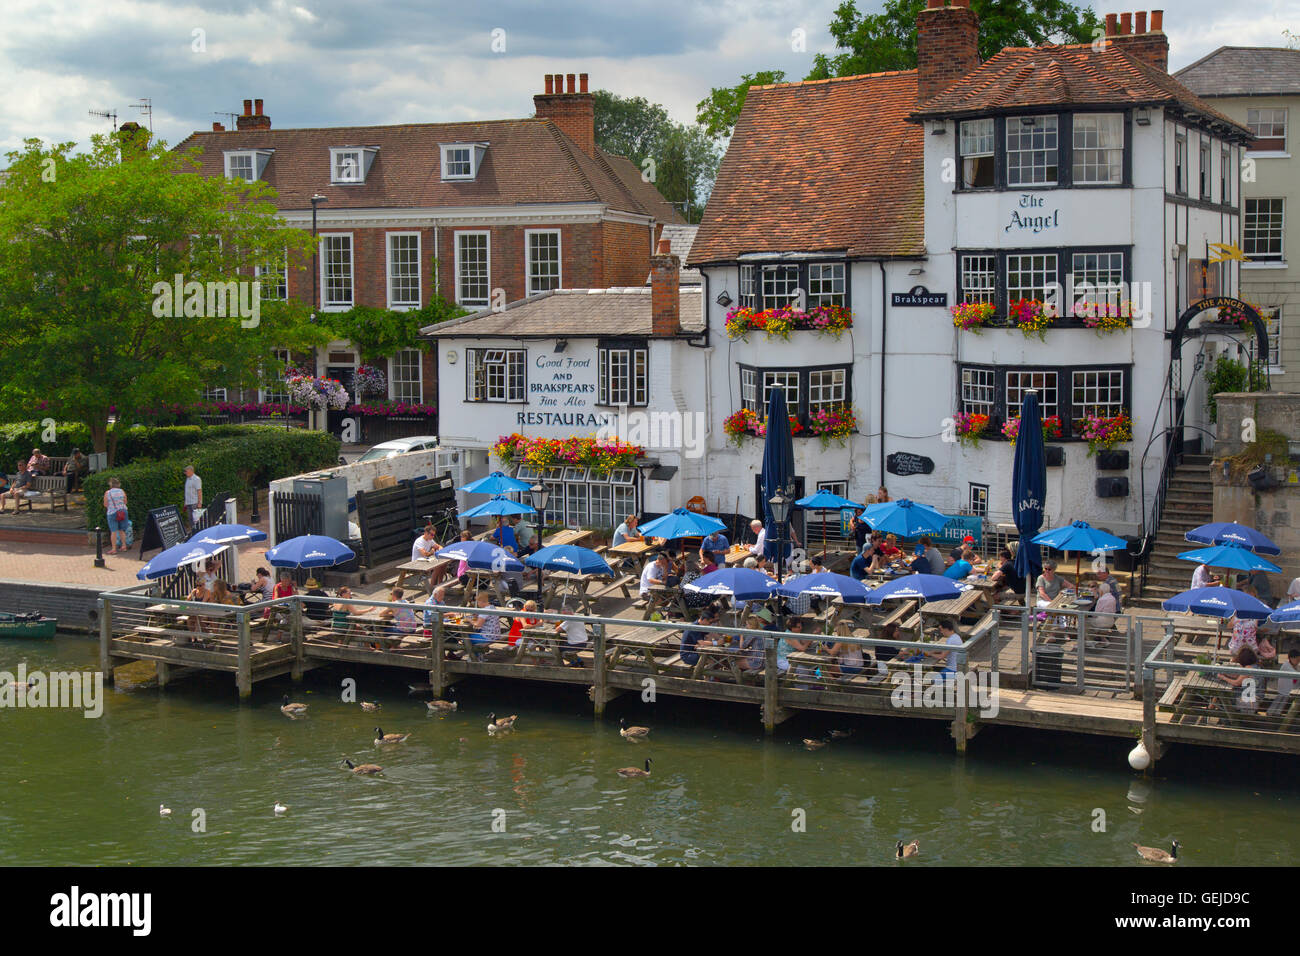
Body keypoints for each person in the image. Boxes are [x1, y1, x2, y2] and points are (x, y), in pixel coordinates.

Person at [1217, 646, 1260, 715]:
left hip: (1249, 700)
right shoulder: (1255, 666)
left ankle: (1221, 716)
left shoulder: (1248, 668)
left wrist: (1223, 677)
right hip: (1254, 696)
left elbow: (1236, 683)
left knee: (1222, 695)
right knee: (1219, 695)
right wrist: (1225, 674)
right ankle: (1211, 709)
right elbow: (1240, 677)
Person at [1267, 648, 1300, 717]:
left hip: (1289, 689)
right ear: (1291, 658)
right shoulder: (1286, 665)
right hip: (1284, 688)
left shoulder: (1296, 666)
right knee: (1279, 700)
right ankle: (1270, 712)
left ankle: (1277, 713)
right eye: (1297, 659)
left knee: (1283, 701)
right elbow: (1295, 674)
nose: (1298, 661)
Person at [102, 478, 129, 553]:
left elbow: (105, 504)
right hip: (123, 511)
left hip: (112, 512)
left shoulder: (108, 493)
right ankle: (124, 546)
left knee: (113, 531)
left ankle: (114, 549)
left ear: (110, 485)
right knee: (122, 530)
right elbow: (125, 502)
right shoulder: (122, 491)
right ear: (118, 484)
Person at [183, 464, 203, 531]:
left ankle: (198, 531)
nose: (185, 473)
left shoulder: (196, 479)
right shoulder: (187, 479)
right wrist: (185, 502)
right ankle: (193, 531)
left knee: (196, 519)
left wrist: (200, 503)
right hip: (188, 503)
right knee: (190, 519)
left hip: (194, 502)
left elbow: (199, 491)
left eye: (187, 471)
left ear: (191, 471)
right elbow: (187, 491)